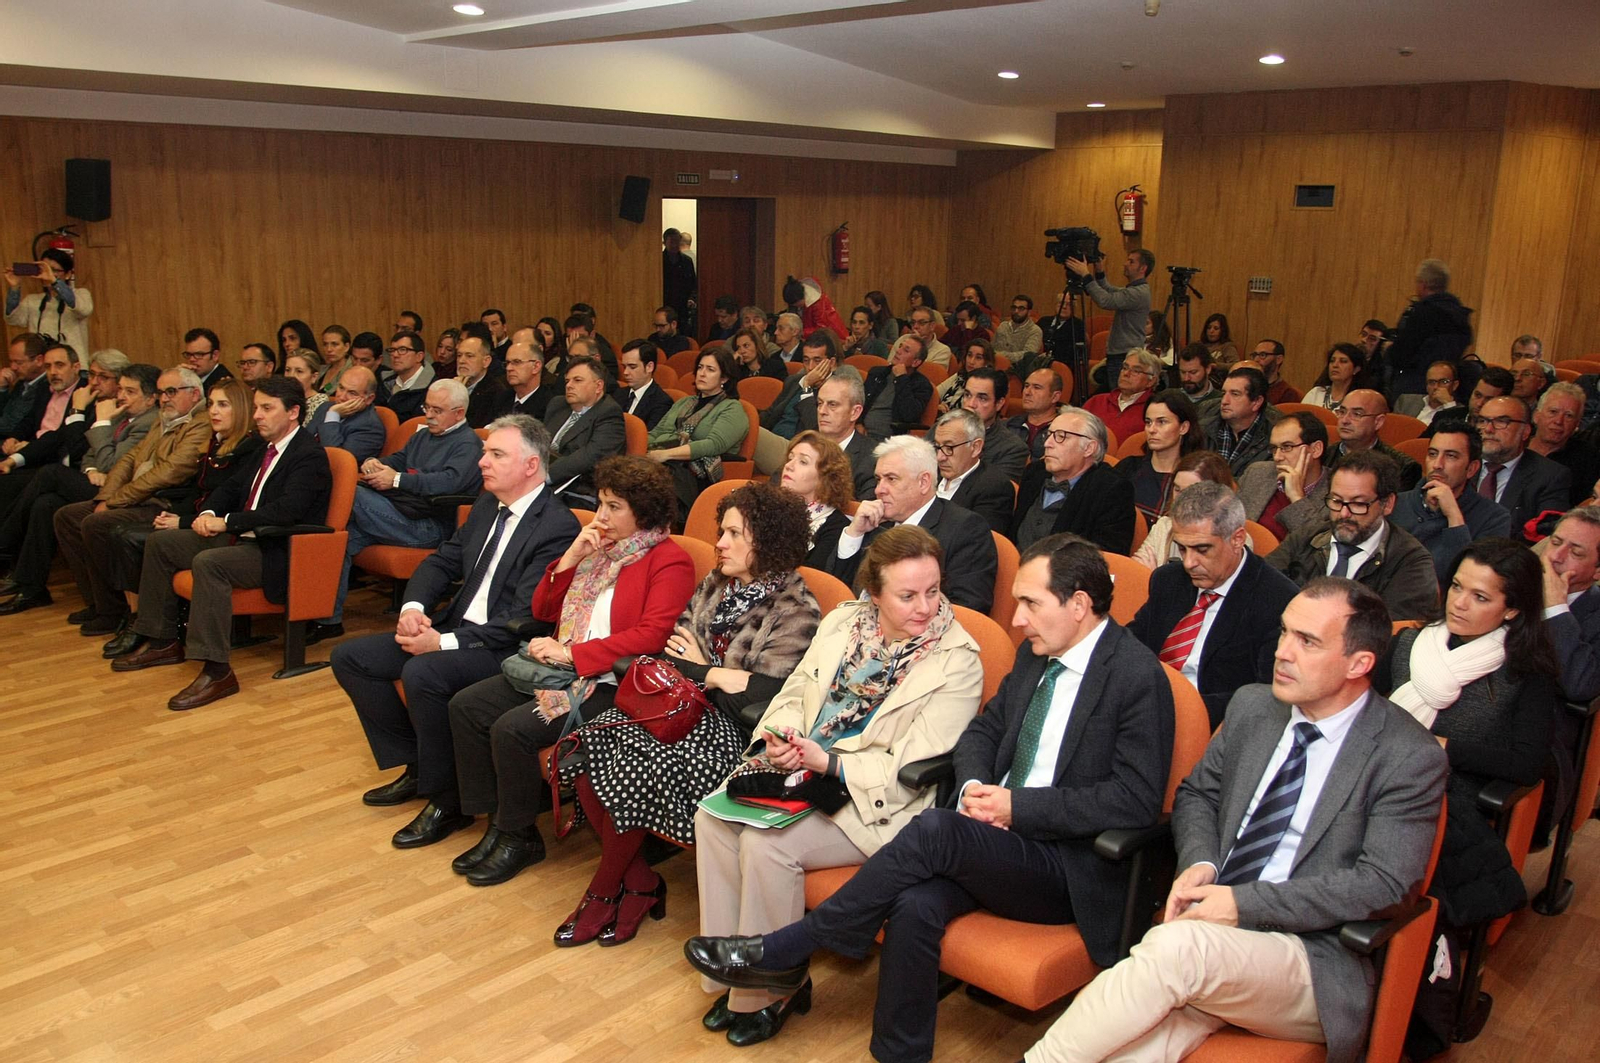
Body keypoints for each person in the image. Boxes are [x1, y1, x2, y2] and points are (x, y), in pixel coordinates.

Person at [1026, 578, 1448, 1063]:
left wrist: (1242, 904)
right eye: (1284, 633)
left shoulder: (1407, 755)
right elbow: (1198, 794)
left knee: (1179, 951)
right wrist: (1203, 861)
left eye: (1306, 642)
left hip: (1312, 955)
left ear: (1360, 664)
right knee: (1137, 1043)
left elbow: (1384, 885)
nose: (1282, 653)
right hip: (1214, 934)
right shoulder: (1254, 706)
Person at [686, 525, 983, 1048]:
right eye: (907, 595)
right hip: (804, 765)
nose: (925, 607)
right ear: (874, 593)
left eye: (933, 591)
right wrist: (779, 735)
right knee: (712, 818)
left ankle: (771, 990)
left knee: (765, 844)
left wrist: (829, 762)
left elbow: (912, 766)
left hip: (875, 799)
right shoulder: (846, 621)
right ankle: (734, 978)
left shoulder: (957, 661)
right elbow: (799, 687)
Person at [555, 482, 822, 944]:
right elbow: (668, 653)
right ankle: (639, 881)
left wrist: (701, 669)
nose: (719, 543)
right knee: (586, 743)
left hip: (736, 737)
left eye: (734, 534)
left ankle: (603, 892)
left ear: (769, 541)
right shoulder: (716, 583)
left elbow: (765, 697)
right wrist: (715, 674)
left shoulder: (795, 610)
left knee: (633, 759)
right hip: (680, 711)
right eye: (722, 532)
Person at [446, 456, 697, 886]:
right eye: (601, 503)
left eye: (614, 506)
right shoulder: (600, 550)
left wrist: (574, 656)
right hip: (562, 669)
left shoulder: (669, 561)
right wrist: (571, 556)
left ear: (645, 512)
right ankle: (496, 820)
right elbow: (543, 610)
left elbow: (651, 637)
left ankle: (519, 835)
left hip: (613, 682)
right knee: (466, 705)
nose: (601, 516)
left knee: (512, 730)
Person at [332, 415, 581, 847]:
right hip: (457, 626)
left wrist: (441, 643)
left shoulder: (557, 525)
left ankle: (448, 801)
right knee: (351, 659)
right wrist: (413, 608)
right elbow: (442, 561)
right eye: (485, 451)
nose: (482, 461)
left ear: (530, 465)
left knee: (424, 672)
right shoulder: (486, 505)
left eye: (496, 454)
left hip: (505, 643)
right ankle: (419, 766)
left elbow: (526, 616)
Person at [1375, 540, 1557, 1058]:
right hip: (1383, 780)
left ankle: (1417, 996)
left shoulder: (1525, 672)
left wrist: (1443, 749)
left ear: (1513, 608)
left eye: (1480, 597)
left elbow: (1526, 764)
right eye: (1457, 587)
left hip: (1456, 800)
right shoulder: (1410, 644)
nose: (1459, 603)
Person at [110, 377, 332, 710]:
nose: (257, 415)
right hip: (243, 539)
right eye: (256, 407)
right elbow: (230, 488)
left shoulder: (308, 455)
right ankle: (162, 639)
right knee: (162, 543)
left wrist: (225, 522)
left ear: (293, 412)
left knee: (208, 563)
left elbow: (287, 512)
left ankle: (217, 671)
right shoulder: (264, 446)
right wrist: (211, 510)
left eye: (267, 408)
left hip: (278, 550)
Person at [94, 377, 258, 656]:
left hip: (225, 529)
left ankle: (150, 627)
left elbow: (231, 500)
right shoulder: (217, 443)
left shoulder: (250, 448)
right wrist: (175, 516)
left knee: (135, 538)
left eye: (223, 405)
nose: (214, 412)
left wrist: (180, 521)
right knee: (124, 533)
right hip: (198, 517)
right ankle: (140, 621)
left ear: (241, 409)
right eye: (211, 405)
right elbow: (200, 491)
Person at [318, 379, 485, 636]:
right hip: (399, 511)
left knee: (347, 493)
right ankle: (327, 621)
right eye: (426, 407)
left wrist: (396, 479)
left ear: (459, 413)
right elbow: (398, 459)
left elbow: (449, 482)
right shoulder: (423, 435)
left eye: (436, 410)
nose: (428, 415)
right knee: (340, 538)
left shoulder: (468, 444)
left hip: (428, 525)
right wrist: (376, 463)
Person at [1129, 481, 1300, 727]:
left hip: (1212, 723)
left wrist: (1178, 709)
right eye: (1182, 548)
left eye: (1202, 549)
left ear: (1237, 539)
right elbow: (1133, 642)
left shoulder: (1277, 601)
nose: (1189, 562)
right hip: (1144, 708)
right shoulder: (1168, 580)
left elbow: (1264, 696)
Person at [0, 357, 154, 615]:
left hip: (119, 492)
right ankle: (32, 588)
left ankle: (4, 541)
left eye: (103, 377)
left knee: (49, 474)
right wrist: (92, 469)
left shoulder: (142, 420)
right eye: (91, 375)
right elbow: (90, 457)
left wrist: (87, 417)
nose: (94, 382)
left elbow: (106, 459)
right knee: (44, 504)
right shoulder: (117, 411)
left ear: (150, 398)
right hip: (91, 479)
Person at [1266, 451, 1440, 623]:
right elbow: (1261, 583)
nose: (1343, 514)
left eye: (1358, 503)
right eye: (1336, 501)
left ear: (1387, 504)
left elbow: (1388, 633)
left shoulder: (1411, 561)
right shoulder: (1308, 536)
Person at [830, 435, 997, 612]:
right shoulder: (878, 522)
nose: (879, 490)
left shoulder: (966, 529)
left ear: (923, 482)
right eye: (879, 479)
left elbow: (968, 608)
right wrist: (855, 534)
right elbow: (838, 588)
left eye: (891, 479)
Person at [1390, 423, 1511, 580]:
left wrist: (1454, 516)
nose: (1437, 465)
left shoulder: (1494, 518)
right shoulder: (1394, 504)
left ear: (1472, 469)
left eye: (1451, 456)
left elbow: (1472, 580)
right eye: (1433, 454)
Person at [1012, 407, 1135, 555]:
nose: (1047, 444)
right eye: (1049, 435)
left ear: (1089, 448)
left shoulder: (1112, 489)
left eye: (1060, 436)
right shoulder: (1034, 473)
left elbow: (1103, 558)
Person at [647, 347, 750, 514]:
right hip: (667, 464)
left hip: (699, 476)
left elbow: (713, 445)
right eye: (700, 368)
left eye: (710, 369)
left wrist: (667, 453)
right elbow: (656, 433)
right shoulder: (684, 402)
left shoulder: (732, 408)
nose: (702, 373)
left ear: (724, 377)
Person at [1472, 395, 1571, 542]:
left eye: (1501, 421)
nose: (1488, 429)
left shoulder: (1550, 476)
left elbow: (1545, 538)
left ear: (1525, 432)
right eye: (1483, 421)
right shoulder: (1460, 462)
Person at [1382, 258, 1474, 399]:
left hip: (1414, 389)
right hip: (1448, 389)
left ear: (1423, 285)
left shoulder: (1422, 314)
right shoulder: (1460, 315)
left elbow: (1401, 355)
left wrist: (1388, 349)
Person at [1236, 411, 1333, 541]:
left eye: (1287, 447)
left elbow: (1318, 548)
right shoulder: (1257, 473)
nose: (1277, 457)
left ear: (1316, 449)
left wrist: (1297, 498)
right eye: (1274, 448)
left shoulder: (1337, 492)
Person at [543, 356, 626, 506]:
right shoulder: (557, 404)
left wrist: (544, 475)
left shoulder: (609, 412)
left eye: (578, 380)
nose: (569, 385)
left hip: (578, 489)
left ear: (598, 386)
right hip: (540, 478)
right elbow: (539, 442)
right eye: (567, 380)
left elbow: (590, 457)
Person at [1114, 388, 1204, 525]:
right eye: (1148, 422)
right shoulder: (1128, 468)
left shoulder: (1196, 478)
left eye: (1161, 422)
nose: (1151, 429)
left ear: (1183, 428)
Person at [755, 330, 839, 474]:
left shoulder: (837, 389)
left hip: (800, 451)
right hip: (775, 442)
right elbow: (770, 414)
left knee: (748, 431)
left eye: (817, 360)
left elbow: (815, 430)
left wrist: (807, 389)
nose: (811, 367)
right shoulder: (794, 381)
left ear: (831, 363)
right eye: (806, 360)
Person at [1134, 451, 1236, 569]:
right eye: (1177, 489)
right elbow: (1137, 571)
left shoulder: (1233, 540)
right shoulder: (1164, 526)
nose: (1179, 499)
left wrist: (1156, 577)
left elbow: (1208, 584)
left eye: (1189, 492)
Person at [1540, 507, 1600, 701]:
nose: (1556, 556)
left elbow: (1580, 686)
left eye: (1575, 552)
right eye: (1555, 542)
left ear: (1598, 572)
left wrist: (1556, 608)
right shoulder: (1511, 586)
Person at [1066, 247, 1153, 380]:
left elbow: (1105, 300)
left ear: (1143, 268)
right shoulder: (1135, 290)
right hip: (1122, 353)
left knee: (1118, 395)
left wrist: (1085, 274)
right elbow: (1109, 290)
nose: (1125, 264)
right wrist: (1099, 272)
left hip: (1124, 355)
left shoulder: (1137, 293)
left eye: (1131, 262)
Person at [778, 430, 853, 570]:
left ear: (825, 477)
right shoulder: (768, 509)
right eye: (790, 458)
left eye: (803, 462)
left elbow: (812, 581)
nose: (789, 466)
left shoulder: (837, 528)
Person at [932, 409, 1015, 535]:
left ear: (975, 447)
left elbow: (977, 542)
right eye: (938, 446)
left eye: (949, 448)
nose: (940, 457)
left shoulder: (994, 488)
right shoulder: (929, 473)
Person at [1324, 388, 1422, 491]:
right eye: (1342, 412)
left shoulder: (1403, 468)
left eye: (1357, 414)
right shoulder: (1322, 457)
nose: (1344, 420)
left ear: (1378, 422)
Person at [5, 248, 92, 360]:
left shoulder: (81, 294)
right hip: (42, 367)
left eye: (54, 270)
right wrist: (14, 287)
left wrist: (54, 281)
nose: (47, 273)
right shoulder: (32, 300)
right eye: (44, 269)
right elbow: (12, 319)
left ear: (68, 274)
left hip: (75, 367)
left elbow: (83, 309)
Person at [1202, 365, 1281, 477]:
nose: (1224, 401)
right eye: (1224, 393)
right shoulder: (1204, 426)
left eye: (1235, 394)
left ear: (1256, 402)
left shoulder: (1274, 438)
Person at [1530, 382, 1600, 506]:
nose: (1558, 421)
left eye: (1569, 416)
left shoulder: (1589, 458)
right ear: (1536, 415)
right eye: (1553, 411)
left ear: (1577, 424)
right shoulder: (1516, 447)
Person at [814, 371, 880, 500]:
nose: (822, 411)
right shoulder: (805, 445)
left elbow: (863, 511)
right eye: (820, 403)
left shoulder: (872, 459)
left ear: (855, 412)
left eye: (832, 405)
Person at [959, 367, 1030, 483]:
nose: (971, 404)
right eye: (967, 395)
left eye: (982, 398)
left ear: (999, 404)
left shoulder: (1013, 449)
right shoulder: (941, 430)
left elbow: (994, 493)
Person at [1083, 347, 1161, 449]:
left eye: (1136, 371)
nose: (1126, 374)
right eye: (1125, 368)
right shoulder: (1096, 401)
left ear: (1151, 381)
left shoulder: (1155, 409)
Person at [306, 366, 385, 464]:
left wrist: (332, 416)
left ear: (369, 399)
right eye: (341, 388)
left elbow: (337, 460)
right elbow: (302, 441)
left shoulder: (370, 428)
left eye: (352, 393)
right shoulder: (325, 407)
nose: (342, 397)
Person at [862, 336, 933, 439]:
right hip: (859, 432)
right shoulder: (877, 373)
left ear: (915, 362)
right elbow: (860, 401)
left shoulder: (921, 385)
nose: (898, 351)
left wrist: (901, 378)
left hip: (888, 439)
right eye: (900, 346)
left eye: (906, 350)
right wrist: (858, 424)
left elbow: (909, 415)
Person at [1006, 367, 1064, 462]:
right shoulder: (1008, 426)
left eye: (1037, 387)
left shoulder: (1064, 432)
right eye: (1026, 386)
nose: (1027, 392)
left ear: (1055, 397)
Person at [0, 333, 50, 442]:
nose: (13, 367)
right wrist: (2, 388)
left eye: (18, 362)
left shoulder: (47, 387)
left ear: (39, 360)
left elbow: (11, 425)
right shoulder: (21, 382)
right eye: (11, 361)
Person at [614, 339, 673, 429]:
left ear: (649, 367)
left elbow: (649, 437)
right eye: (624, 367)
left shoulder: (662, 402)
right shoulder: (618, 394)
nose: (625, 372)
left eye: (632, 367)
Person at [1301, 342, 1373, 411]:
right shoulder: (1316, 393)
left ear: (1356, 369)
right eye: (1332, 361)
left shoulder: (1360, 399)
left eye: (1343, 361)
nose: (1335, 365)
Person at [936, 337, 994, 413]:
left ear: (986, 363)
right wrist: (937, 406)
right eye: (969, 355)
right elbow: (935, 394)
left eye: (978, 358)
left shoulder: (987, 385)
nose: (971, 361)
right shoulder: (959, 376)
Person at [662, 227, 698, 332]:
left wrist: (692, 298)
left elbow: (693, 284)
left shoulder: (687, 261)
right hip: (664, 303)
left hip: (682, 305)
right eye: (672, 242)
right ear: (665, 242)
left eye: (677, 242)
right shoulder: (659, 260)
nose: (675, 245)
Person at [177, 328, 232, 392]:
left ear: (215, 355)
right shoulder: (193, 378)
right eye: (188, 354)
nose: (191, 359)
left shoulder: (224, 384)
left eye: (199, 354)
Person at [1407, 360, 1462, 425]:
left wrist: (1449, 404)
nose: (1436, 387)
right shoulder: (1406, 401)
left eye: (1443, 382)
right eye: (1431, 382)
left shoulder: (1461, 412)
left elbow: (1456, 430)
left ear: (1455, 385)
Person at [282, 349, 329, 421]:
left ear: (314, 377)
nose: (291, 376)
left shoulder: (320, 402)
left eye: (299, 371)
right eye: (288, 370)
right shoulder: (281, 397)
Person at [992, 294, 1044, 360]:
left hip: (1019, 368)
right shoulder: (1003, 326)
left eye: (1021, 308)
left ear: (1029, 312)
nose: (1016, 311)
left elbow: (1028, 355)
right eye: (1014, 308)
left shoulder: (1035, 331)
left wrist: (1001, 355)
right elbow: (992, 348)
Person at [1251, 339, 1301, 405]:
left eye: (1263, 355)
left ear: (1279, 359)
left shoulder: (1287, 393)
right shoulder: (1248, 386)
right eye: (1255, 355)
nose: (1256, 360)